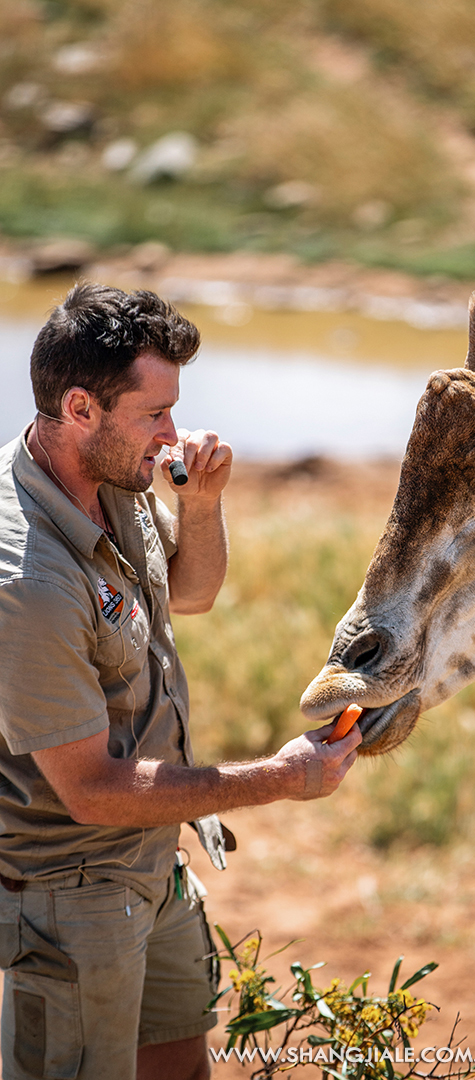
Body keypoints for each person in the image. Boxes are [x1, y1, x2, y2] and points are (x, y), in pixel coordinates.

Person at [0, 283, 361, 1080]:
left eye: (174, 409)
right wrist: (278, 778)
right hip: (71, 896)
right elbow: (91, 790)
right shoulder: (27, 580)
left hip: (151, 861)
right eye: (154, 413)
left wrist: (202, 505)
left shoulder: (113, 482)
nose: (175, 434)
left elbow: (190, 593)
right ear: (81, 408)